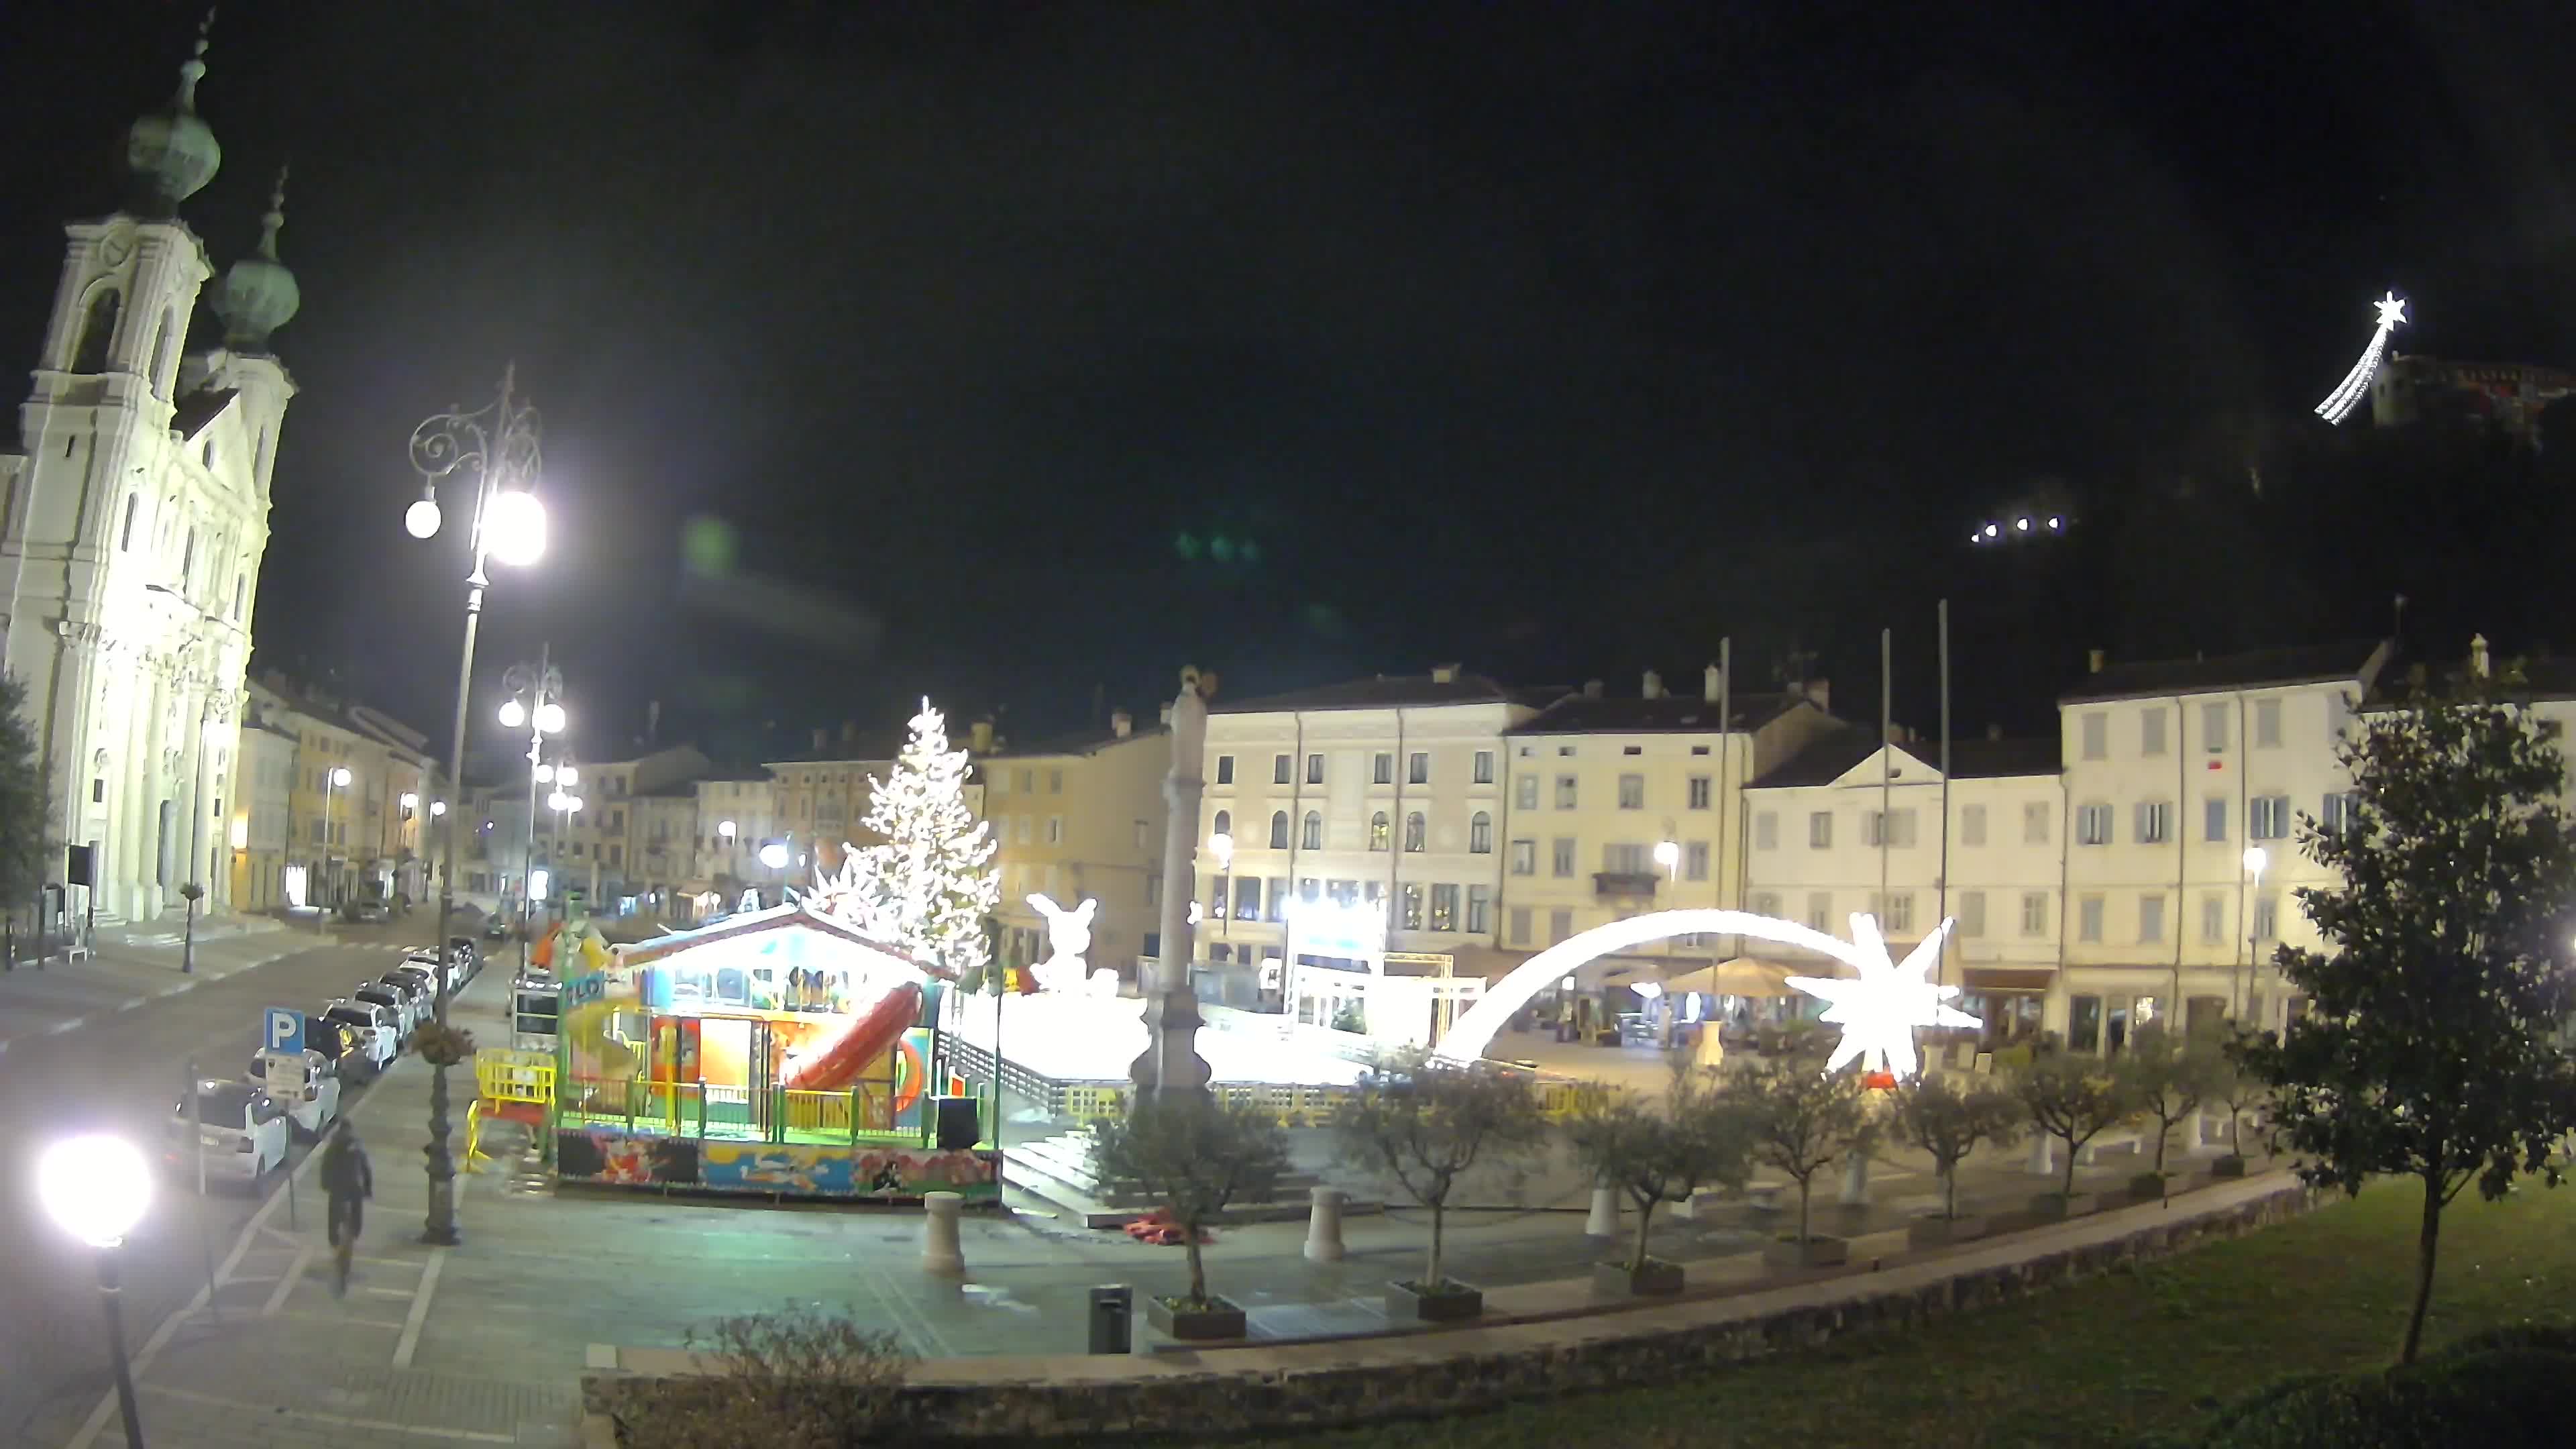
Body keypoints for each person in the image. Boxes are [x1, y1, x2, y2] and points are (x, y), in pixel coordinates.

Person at [319, 1122, 372, 1295]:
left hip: (338, 1187)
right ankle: (356, 1230)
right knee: (356, 1213)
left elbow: (325, 1166)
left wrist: (325, 1184)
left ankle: (334, 1237)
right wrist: (368, 1189)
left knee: (334, 1215)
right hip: (354, 1187)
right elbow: (366, 1168)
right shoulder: (357, 1144)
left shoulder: (334, 1144)